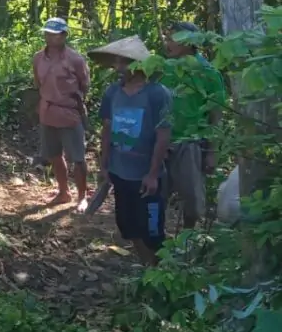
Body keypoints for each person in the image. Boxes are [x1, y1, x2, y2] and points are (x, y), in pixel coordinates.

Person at [90, 36, 173, 266]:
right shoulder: (112, 93)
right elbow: (107, 129)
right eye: (116, 62)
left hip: (146, 175)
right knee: (127, 225)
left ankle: (160, 272)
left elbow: (163, 135)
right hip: (120, 170)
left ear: (139, 64)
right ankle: (148, 267)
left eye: (123, 63)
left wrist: (153, 173)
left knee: (153, 229)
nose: (118, 68)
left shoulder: (158, 94)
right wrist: (104, 165)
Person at [160, 21, 226, 229]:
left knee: (193, 203)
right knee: (155, 195)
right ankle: (156, 240)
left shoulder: (208, 73)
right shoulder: (163, 68)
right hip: (160, 142)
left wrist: (212, 152)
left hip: (190, 144)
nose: (167, 43)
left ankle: (188, 242)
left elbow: (215, 115)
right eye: (167, 38)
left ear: (189, 43)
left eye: (173, 39)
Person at [32, 17, 90, 208]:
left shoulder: (75, 59)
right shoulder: (38, 58)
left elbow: (84, 85)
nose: (50, 38)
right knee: (54, 155)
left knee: (78, 158)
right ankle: (63, 192)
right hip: (47, 112)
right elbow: (38, 83)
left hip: (70, 113)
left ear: (64, 35)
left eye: (55, 34)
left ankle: (82, 197)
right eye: (47, 33)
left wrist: (70, 100)